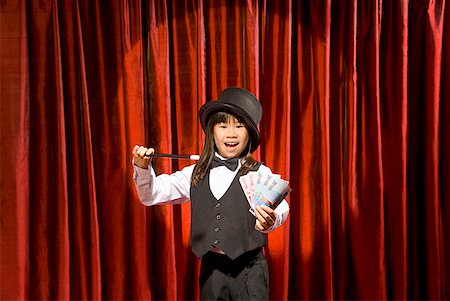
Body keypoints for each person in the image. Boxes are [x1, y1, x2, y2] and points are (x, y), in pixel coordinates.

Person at [132, 87, 290, 300]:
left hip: (250, 271)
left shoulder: (259, 172)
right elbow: (151, 195)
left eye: (239, 126)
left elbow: (281, 206)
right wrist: (142, 168)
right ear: (212, 131)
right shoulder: (194, 173)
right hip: (211, 271)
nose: (231, 133)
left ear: (249, 135)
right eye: (223, 125)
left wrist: (271, 221)